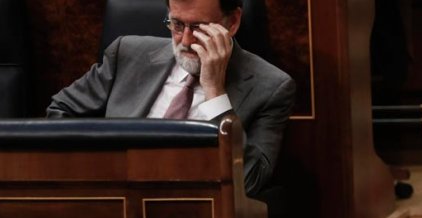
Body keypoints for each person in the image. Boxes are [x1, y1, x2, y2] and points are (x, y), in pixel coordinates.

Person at [47, 0, 296, 196]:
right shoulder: (127, 54)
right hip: (113, 206)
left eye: (199, 28)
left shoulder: (271, 87)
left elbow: (248, 182)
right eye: (177, 25)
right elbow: (60, 112)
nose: (185, 41)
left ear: (232, 22)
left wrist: (214, 90)